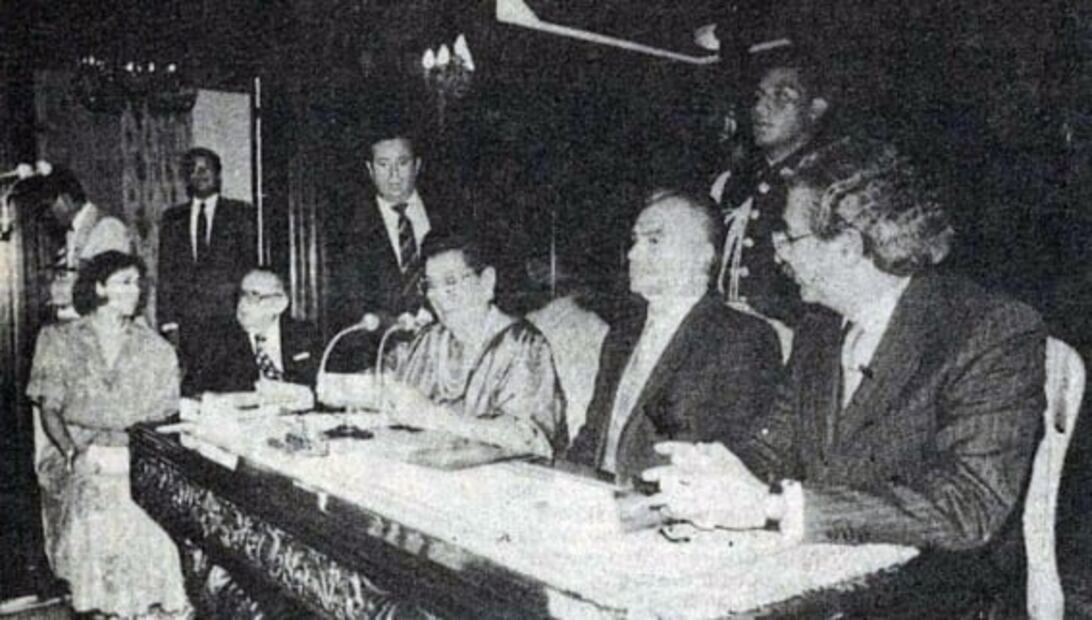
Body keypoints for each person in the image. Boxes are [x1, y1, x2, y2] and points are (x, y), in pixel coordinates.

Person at [648, 138, 1045, 616]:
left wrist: (775, 506)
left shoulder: (989, 329)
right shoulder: (821, 327)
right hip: (824, 579)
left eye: (789, 236)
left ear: (847, 248)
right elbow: (774, 444)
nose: (778, 252)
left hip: (929, 599)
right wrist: (719, 466)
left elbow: (969, 507)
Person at [565, 190, 782, 485]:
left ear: (702, 255)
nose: (633, 254)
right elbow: (593, 436)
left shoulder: (742, 339)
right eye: (635, 241)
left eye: (654, 241)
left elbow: (741, 460)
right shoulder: (622, 334)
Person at [27, 251, 189, 617]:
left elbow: (163, 420)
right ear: (100, 287)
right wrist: (72, 453)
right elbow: (50, 410)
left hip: (136, 455)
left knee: (148, 506)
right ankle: (106, 607)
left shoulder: (157, 350)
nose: (136, 290)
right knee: (98, 501)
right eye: (125, 282)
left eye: (138, 283)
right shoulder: (58, 340)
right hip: (79, 451)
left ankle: (142, 609)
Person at [326, 232, 566, 460]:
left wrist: (435, 416)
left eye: (450, 282)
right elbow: (381, 381)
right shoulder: (430, 339)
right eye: (430, 285)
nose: (438, 296)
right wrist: (334, 387)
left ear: (487, 282)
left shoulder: (523, 346)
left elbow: (531, 440)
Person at [709, 43, 834, 326]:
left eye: (782, 96)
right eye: (760, 96)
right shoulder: (735, 182)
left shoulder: (829, 185)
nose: (760, 107)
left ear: (815, 109)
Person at [158, 147, 257, 374]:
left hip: (232, 325)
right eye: (193, 169)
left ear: (218, 174)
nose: (200, 174)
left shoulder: (241, 214)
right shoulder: (172, 219)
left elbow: (251, 270)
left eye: (206, 168)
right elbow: (166, 276)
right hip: (188, 329)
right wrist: (169, 325)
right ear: (186, 178)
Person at [185, 268, 321, 396]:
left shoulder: (306, 336)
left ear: (279, 304)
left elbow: (320, 390)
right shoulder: (216, 341)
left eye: (253, 296)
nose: (242, 304)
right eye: (242, 294)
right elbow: (193, 393)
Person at [40, 165, 132, 320]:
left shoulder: (108, 228)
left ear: (65, 200)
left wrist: (61, 310)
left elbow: (111, 295)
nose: (48, 214)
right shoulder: (72, 233)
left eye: (49, 206)